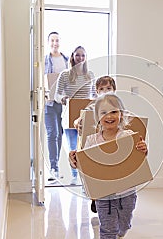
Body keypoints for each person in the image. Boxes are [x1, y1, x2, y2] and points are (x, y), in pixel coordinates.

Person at [68, 93, 148, 239]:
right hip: (104, 196)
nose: (109, 116)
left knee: (124, 224)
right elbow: (83, 165)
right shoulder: (91, 141)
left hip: (127, 193)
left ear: (121, 114)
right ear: (97, 117)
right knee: (107, 226)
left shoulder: (128, 136)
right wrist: (74, 159)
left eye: (113, 112)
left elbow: (138, 160)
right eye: (103, 113)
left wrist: (143, 150)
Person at [73, 75, 117, 214]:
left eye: (108, 88)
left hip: (112, 144)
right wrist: (78, 122)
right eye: (101, 89)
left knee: (111, 174)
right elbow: (81, 117)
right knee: (96, 174)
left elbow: (128, 119)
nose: (105, 92)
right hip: (96, 145)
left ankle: (112, 200)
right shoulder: (94, 105)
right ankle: (95, 199)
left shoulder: (118, 106)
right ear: (97, 92)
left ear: (114, 90)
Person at [54, 45, 96, 184]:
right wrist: (64, 99)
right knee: (73, 146)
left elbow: (95, 95)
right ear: (72, 56)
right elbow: (57, 95)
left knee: (86, 146)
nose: (80, 58)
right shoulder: (65, 74)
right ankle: (74, 175)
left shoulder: (90, 75)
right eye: (78, 55)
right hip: (70, 116)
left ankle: (85, 178)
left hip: (86, 116)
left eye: (83, 55)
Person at [44, 31, 69, 181]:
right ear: (48, 42)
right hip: (49, 102)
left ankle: (57, 165)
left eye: (57, 40)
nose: (55, 43)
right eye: (52, 40)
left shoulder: (66, 59)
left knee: (60, 134)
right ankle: (53, 167)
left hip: (63, 103)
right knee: (52, 133)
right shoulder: (45, 59)